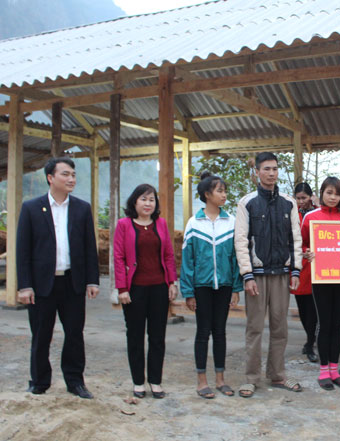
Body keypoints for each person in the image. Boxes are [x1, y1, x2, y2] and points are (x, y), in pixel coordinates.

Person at [16, 157, 100, 399]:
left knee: (74, 334)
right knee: (41, 334)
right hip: (42, 284)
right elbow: (23, 250)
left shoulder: (82, 208)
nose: (71, 179)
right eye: (65, 174)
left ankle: (75, 382)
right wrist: (25, 285)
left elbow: (89, 247)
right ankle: (39, 381)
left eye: (73, 174)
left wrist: (92, 280)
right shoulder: (32, 208)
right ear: (50, 178)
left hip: (72, 282)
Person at [234, 152, 303, 398]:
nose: (271, 173)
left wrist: (296, 270)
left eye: (274, 169)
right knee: (254, 328)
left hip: (282, 274)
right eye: (266, 169)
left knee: (280, 327)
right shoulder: (247, 203)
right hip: (257, 275)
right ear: (257, 172)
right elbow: (241, 240)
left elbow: (295, 238)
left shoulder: (289, 203)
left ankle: (278, 375)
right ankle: (251, 378)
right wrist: (247, 274)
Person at [113, 184, 178, 399]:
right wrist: (122, 288)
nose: (148, 203)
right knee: (135, 336)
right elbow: (119, 257)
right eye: (143, 199)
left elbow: (168, 255)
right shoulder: (124, 225)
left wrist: (172, 282)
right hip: (134, 289)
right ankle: (138, 382)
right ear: (134, 202)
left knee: (158, 337)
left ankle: (155, 381)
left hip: (159, 288)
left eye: (151, 199)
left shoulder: (161, 224)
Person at [181, 173, 242, 399]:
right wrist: (188, 292)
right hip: (202, 287)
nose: (224, 195)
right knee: (202, 332)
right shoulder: (194, 223)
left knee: (220, 332)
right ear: (207, 194)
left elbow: (235, 258)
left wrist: (236, 288)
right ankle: (202, 381)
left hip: (224, 286)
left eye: (225, 191)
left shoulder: (231, 222)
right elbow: (188, 260)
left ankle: (220, 380)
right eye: (219, 191)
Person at [301, 177, 340, 390]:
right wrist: (307, 253)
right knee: (324, 324)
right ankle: (324, 371)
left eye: (337, 194)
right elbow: (301, 244)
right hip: (321, 279)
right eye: (329, 193)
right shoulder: (310, 217)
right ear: (321, 193)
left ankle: (335, 370)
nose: (333, 197)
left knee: (338, 324)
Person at [291, 182, 318, 363]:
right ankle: (309, 339)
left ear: (311, 197)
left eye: (304, 198)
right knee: (302, 306)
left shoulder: (317, 212)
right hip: (299, 264)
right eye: (298, 198)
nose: (301, 201)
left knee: (314, 308)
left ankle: (311, 342)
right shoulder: (293, 214)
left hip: (316, 263)